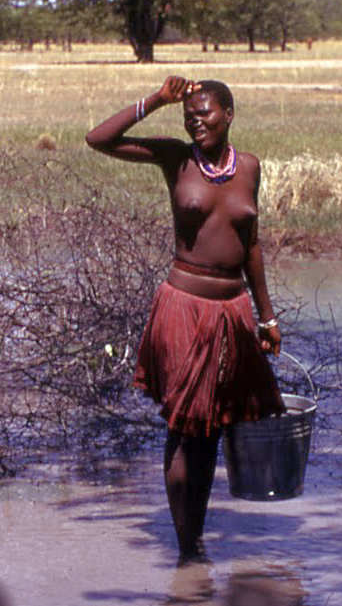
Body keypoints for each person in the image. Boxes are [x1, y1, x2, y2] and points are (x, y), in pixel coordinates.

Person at [86, 75, 285, 564]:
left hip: (232, 313)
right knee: (182, 427)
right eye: (189, 116)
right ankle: (187, 549)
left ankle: (193, 535)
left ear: (229, 114)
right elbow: (99, 140)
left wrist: (266, 316)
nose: (196, 123)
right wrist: (155, 99)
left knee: (212, 429)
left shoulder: (251, 168)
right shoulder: (177, 159)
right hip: (183, 309)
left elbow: (252, 245)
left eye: (206, 114)